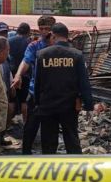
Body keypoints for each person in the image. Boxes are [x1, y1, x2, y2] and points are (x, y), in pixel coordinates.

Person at [34, 23, 94, 154]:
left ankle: (50, 171)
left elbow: (37, 81)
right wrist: (89, 105)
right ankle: (76, 171)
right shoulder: (76, 55)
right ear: (67, 36)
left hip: (47, 105)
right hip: (69, 106)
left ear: (53, 36)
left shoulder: (42, 54)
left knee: (48, 144)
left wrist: (37, 102)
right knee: (72, 141)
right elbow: (84, 82)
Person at [12, 15, 56, 155]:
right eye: (41, 28)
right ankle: (26, 153)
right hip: (35, 92)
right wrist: (18, 75)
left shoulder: (60, 46)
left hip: (54, 93)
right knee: (30, 126)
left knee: (50, 128)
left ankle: (49, 156)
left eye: (47, 29)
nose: (43, 32)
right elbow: (25, 61)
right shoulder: (34, 45)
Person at [0, 22, 15, 146]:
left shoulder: (6, 49)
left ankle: (0, 138)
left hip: (6, 87)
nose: (4, 35)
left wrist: (12, 82)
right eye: (1, 33)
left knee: (7, 113)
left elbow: (8, 66)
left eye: (5, 33)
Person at [9, 22, 31, 122]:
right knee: (24, 101)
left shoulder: (9, 41)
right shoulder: (29, 43)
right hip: (25, 74)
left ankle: (8, 122)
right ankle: (26, 123)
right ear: (28, 32)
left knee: (11, 99)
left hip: (11, 74)